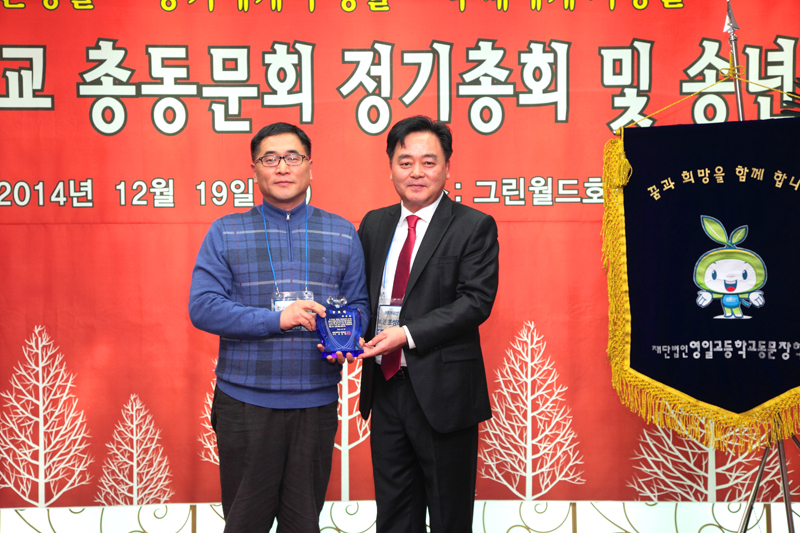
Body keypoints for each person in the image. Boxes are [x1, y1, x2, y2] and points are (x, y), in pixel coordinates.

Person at [188, 122, 369, 533]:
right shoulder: (226, 230)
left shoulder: (342, 232)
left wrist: (345, 338)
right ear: (254, 169)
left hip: (315, 403)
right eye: (270, 159)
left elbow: (359, 306)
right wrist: (276, 320)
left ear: (310, 166)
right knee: (244, 524)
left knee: (303, 524)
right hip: (244, 403)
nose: (282, 167)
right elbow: (203, 308)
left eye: (293, 157)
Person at [357, 115, 499, 533]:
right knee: (394, 515)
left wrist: (405, 335)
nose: (416, 172)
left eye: (428, 162)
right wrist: (343, 332)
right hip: (385, 387)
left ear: (447, 168)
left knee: (448, 515)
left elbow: (475, 302)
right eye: (405, 162)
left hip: (443, 393)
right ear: (391, 168)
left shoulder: (473, 225)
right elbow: (362, 295)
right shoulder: (374, 224)